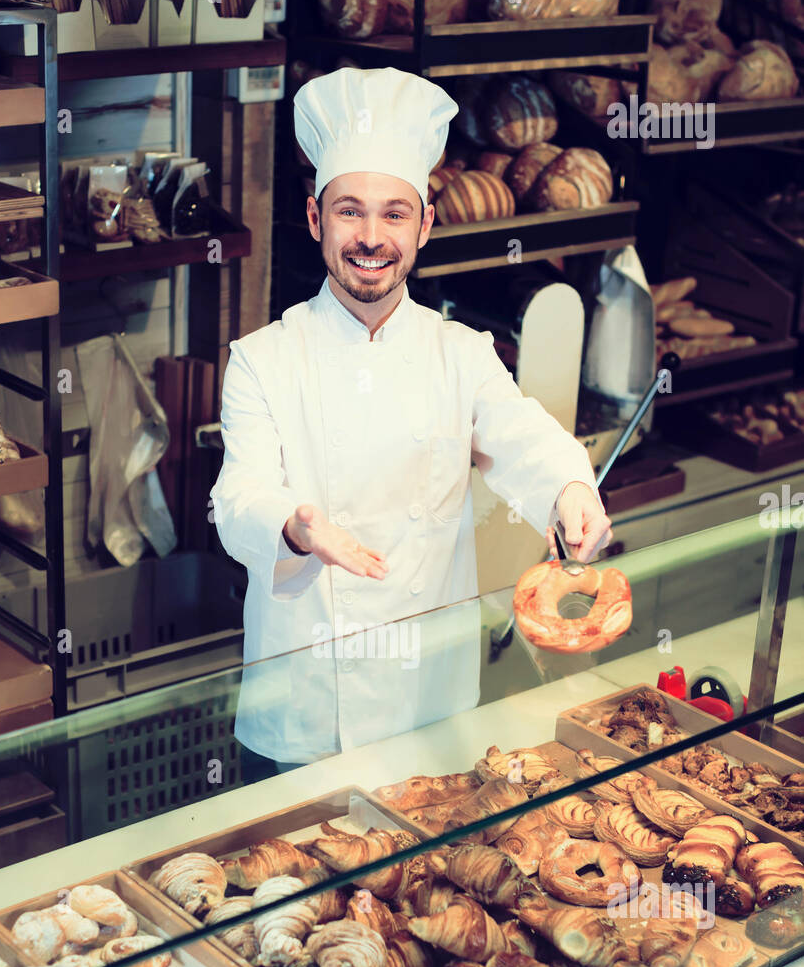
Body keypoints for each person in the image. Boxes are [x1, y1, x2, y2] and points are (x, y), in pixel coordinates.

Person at [211, 67, 611, 786]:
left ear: (424, 224)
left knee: (429, 891)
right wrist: (295, 526)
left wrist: (568, 489)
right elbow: (236, 495)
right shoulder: (261, 360)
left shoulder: (461, 354)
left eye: (394, 214)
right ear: (314, 220)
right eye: (349, 212)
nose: (371, 237)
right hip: (302, 713)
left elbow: (521, 435)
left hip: (427, 708)